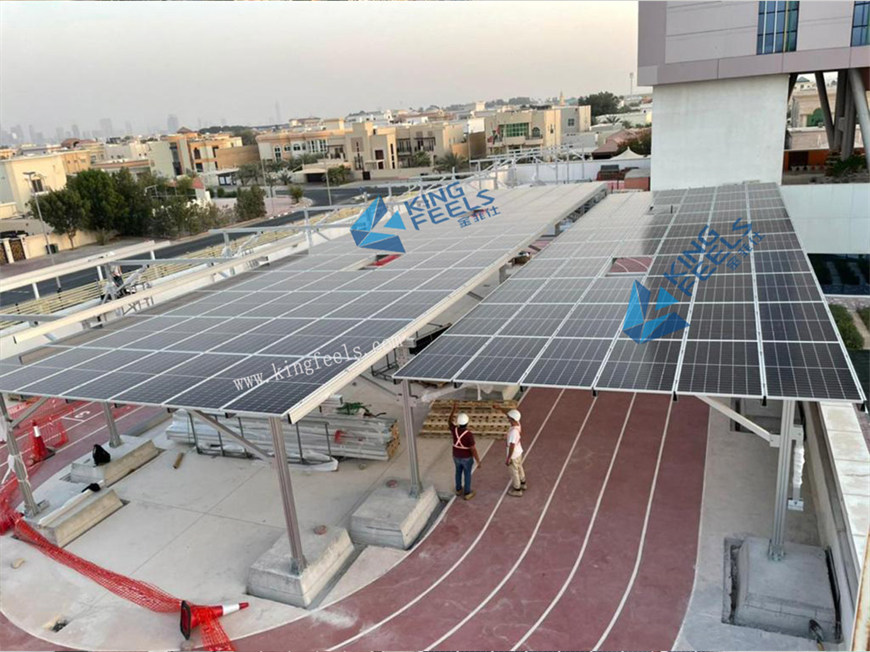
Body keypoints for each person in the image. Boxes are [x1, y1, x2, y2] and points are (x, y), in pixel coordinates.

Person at [449, 401, 481, 500]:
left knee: (458, 472)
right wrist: (478, 461)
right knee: (467, 474)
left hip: (456, 455)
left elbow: (449, 421)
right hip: (466, 457)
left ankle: (458, 489)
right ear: (467, 423)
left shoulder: (454, 429)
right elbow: (473, 449)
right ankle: (467, 492)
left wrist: (453, 409)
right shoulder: (468, 434)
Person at [496, 404, 525, 497]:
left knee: (514, 471)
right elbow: (508, 413)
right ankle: (523, 482)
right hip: (519, 452)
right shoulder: (518, 424)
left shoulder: (513, 432)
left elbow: (512, 446)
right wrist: (500, 408)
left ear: (513, 419)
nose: (508, 419)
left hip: (513, 454)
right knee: (519, 467)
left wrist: (508, 458)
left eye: (509, 419)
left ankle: (517, 489)